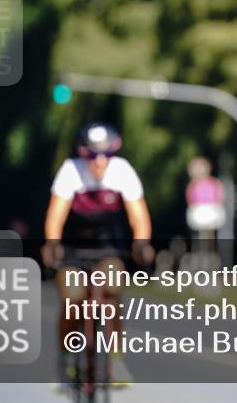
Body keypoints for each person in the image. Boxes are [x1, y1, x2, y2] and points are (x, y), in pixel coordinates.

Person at [41, 122, 154, 387]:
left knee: (113, 290)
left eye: (106, 154)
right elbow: (55, 215)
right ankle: (66, 359)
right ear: (83, 153)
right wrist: (52, 242)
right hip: (72, 250)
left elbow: (139, 215)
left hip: (108, 249)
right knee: (73, 298)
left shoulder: (122, 171)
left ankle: (115, 361)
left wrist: (141, 242)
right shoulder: (71, 171)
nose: (100, 161)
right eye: (92, 155)